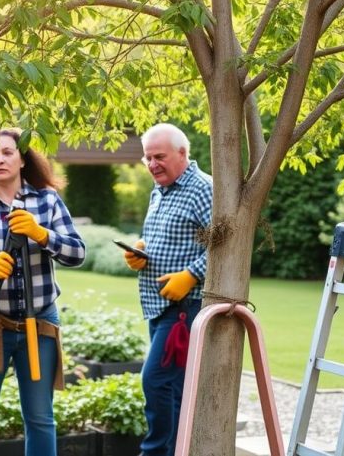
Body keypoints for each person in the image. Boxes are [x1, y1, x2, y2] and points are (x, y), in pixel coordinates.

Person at [0, 128, 85, 456]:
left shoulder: (47, 200)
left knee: (40, 419)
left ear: (23, 158)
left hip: (40, 324)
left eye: (7, 152)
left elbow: (77, 253)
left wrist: (41, 234)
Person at [122, 123, 212, 456]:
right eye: (147, 158)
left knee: (156, 381)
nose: (152, 164)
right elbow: (168, 238)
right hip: (158, 306)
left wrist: (191, 275)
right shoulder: (159, 190)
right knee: (171, 388)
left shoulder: (203, 189)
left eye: (159, 156)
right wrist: (141, 252)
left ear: (183, 153)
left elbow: (223, 244)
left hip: (185, 309)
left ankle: (155, 452)